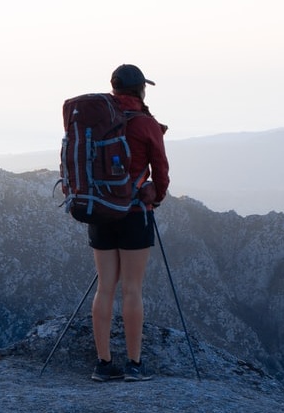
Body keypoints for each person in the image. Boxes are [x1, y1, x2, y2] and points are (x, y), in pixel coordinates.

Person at [89, 64, 170, 382]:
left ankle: (103, 364)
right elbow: (160, 169)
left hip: (100, 211)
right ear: (139, 90)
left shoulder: (96, 120)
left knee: (104, 287)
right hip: (135, 212)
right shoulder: (146, 123)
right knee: (132, 290)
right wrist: (157, 196)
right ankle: (135, 365)